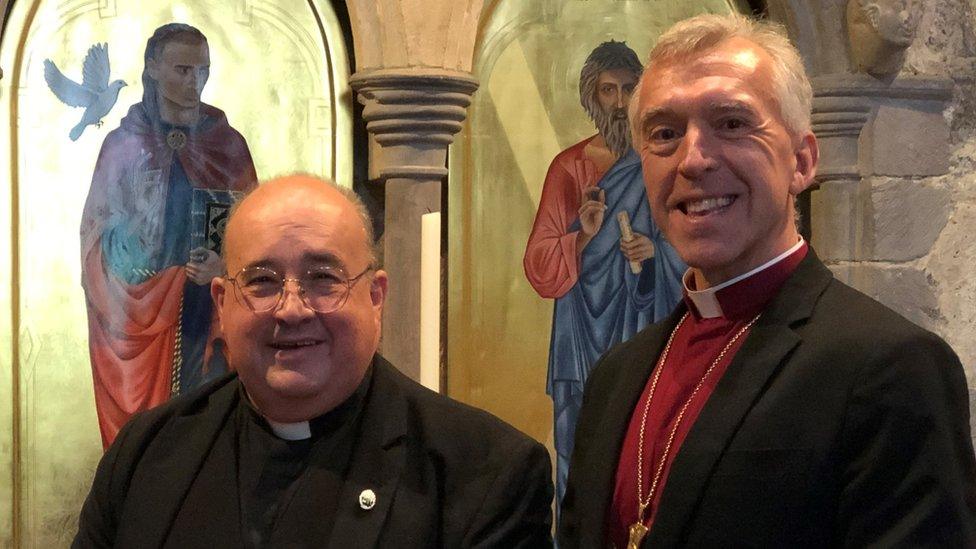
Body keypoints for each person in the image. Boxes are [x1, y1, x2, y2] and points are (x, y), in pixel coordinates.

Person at [559, 13, 976, 548]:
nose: (693, 159)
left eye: (731, 123)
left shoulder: (889, 366)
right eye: (664, 134)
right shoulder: (616, 375)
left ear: (801, 162)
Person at [73, 174, 553, 548]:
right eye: (261, 281)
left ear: (376, 297)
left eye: (323, 278)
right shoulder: (147, 455)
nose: (292, 308)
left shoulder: (485, 474)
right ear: (222, 304)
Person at [523, 40, 685, 509]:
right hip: (578, 329)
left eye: (627, 88)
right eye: (607, 89)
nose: (617, 101)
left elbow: (689, 246)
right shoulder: (569, 167)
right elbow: (539, 261)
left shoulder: (659, 161)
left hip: (642, 320)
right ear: (591, 97)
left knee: (645, 445)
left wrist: (655, 252)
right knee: (576, 444)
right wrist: (582, 237)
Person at [80, 23, 258, 448]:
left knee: (206, 430)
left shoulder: (228, 147)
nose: (193, 82)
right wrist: (142, 264)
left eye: (202, 71)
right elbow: (95, 239)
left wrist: (227, 265)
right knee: (149, 440)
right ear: (153, 68)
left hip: (209, 314)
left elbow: (257, 233)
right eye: (182, 69)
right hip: (143, 311)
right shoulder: (122, 146)